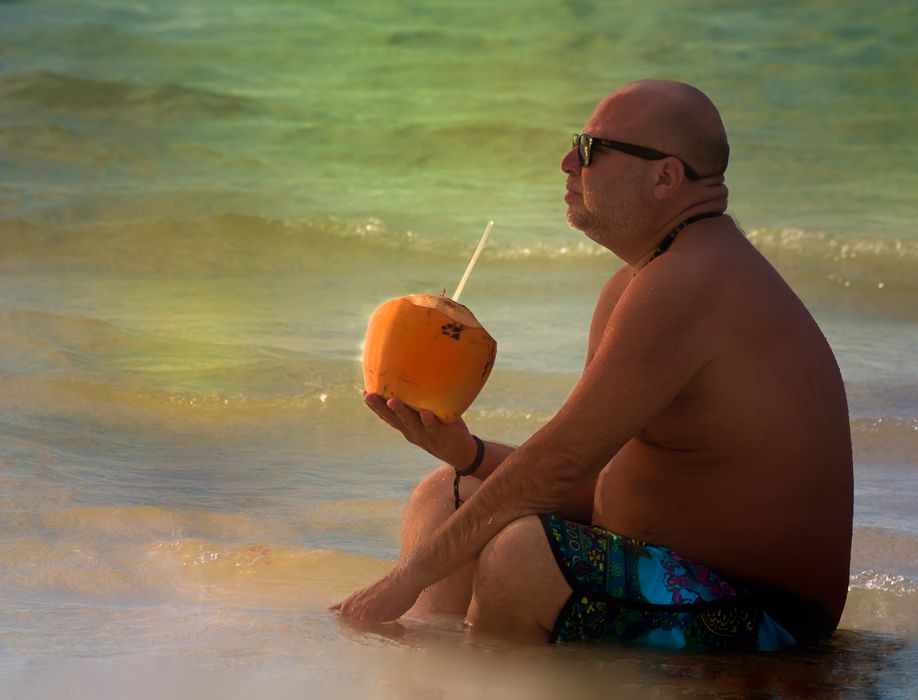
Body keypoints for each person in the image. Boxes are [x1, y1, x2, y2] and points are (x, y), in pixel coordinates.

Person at [332, 79, 854, 652]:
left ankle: (483, 682)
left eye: (588, 148)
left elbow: (558, 465)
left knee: (522, 557)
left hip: (765, 616)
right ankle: (433, 679)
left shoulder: (693, 280)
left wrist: (403, 580)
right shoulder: (639, 282)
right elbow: (594, 483)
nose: (566, 162)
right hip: (662, 571)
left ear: (665, 177)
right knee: (448, 493)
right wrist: (468, 453)